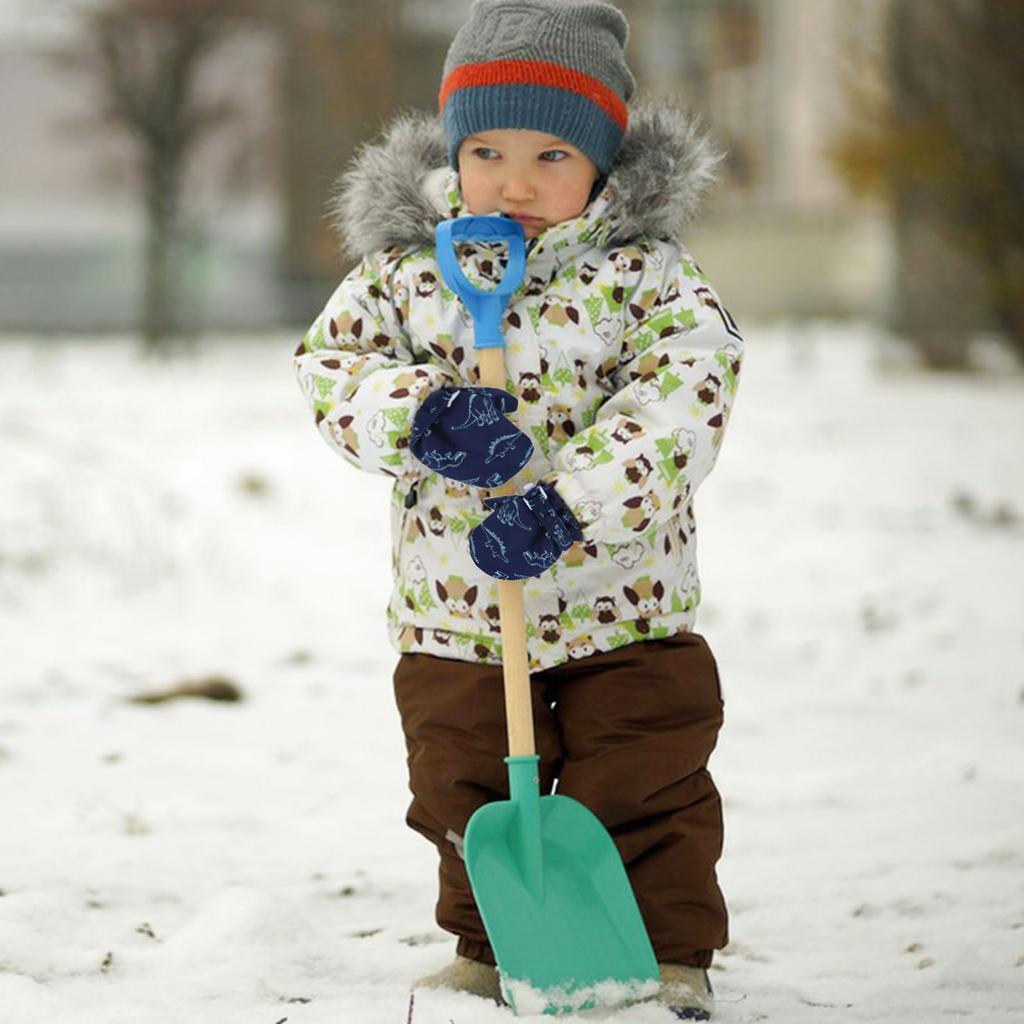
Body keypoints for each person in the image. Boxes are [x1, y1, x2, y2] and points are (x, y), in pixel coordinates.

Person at [294, 0, 743, 1017]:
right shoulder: (410, 275)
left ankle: (670, 949)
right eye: (486, 148)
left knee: (646, 778)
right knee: (461, 785)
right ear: (452, 150)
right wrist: (422, 418)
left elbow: (683, 401)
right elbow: (331, 369)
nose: (514, 180)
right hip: (455, 607)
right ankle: (488, 941)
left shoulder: (647, 279)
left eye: (551, 154)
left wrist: (568, 505)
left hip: (620, 605)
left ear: (604, 163)